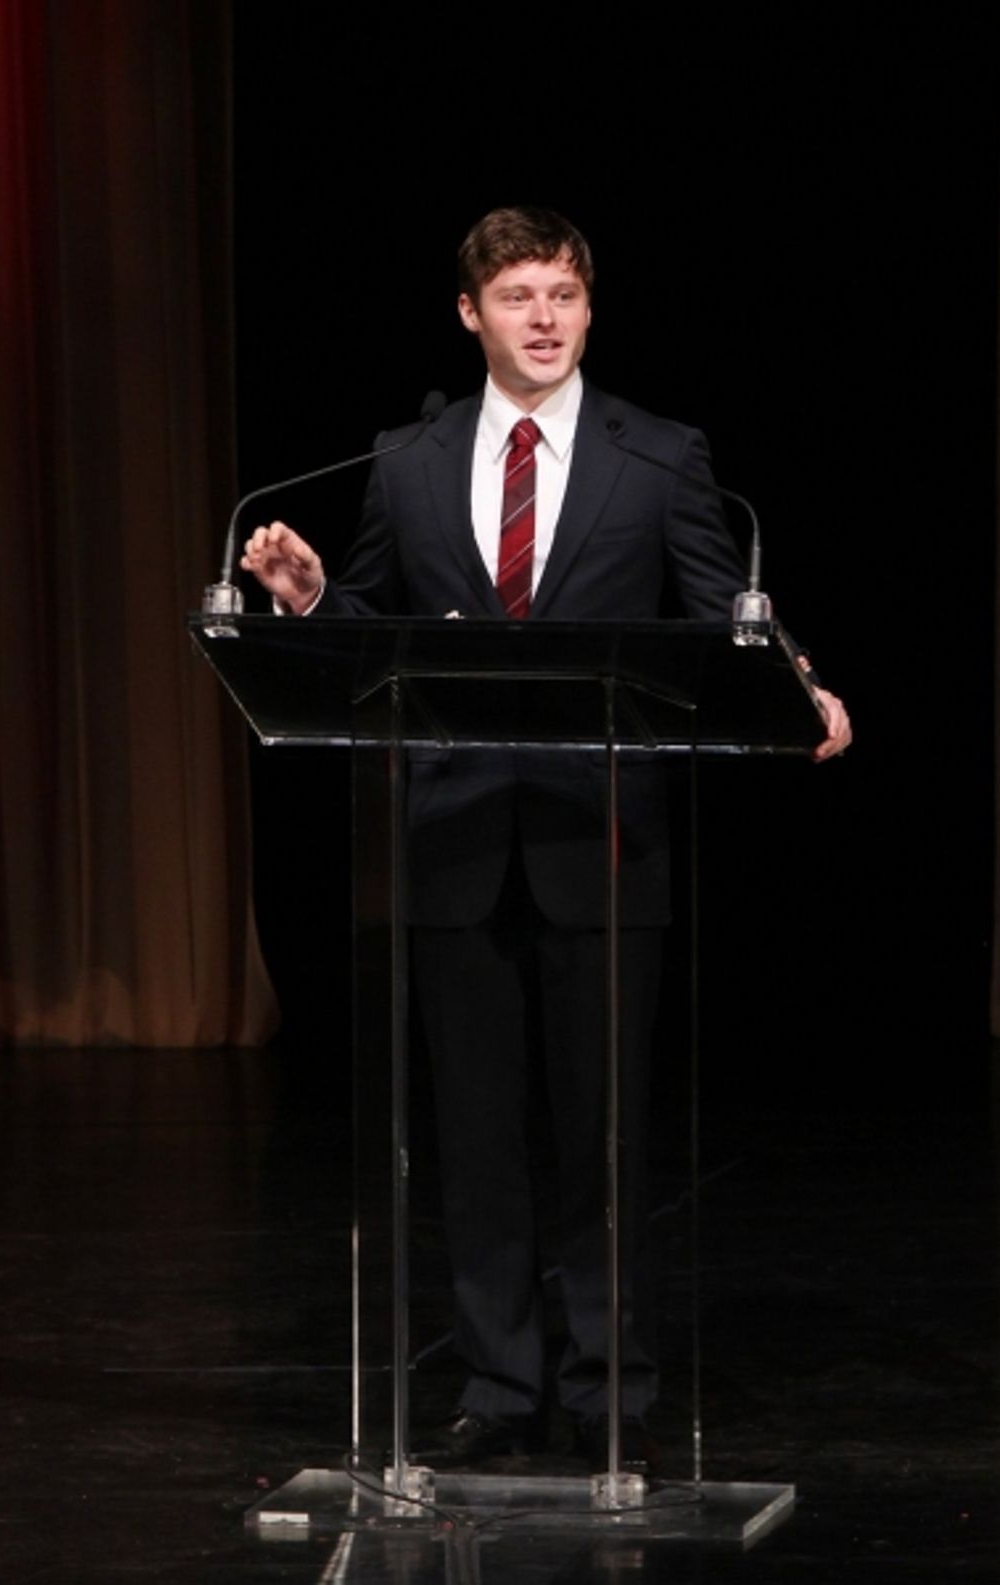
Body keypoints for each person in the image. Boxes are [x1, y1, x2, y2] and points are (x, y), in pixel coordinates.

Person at [242, 207, 852, 1469]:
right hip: (453, 838)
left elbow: (725, 612)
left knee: (600, 1135)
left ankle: (606, 1387)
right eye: (517, 294)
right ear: (469, 312)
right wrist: (309, 598)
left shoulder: (661, 457)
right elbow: (374, 623)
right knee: (472, 1134)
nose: (543, 318)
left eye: (563, 294)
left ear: (587, 308)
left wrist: (799, 683)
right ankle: (499, 1385)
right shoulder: (406, 459)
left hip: (601, 837)